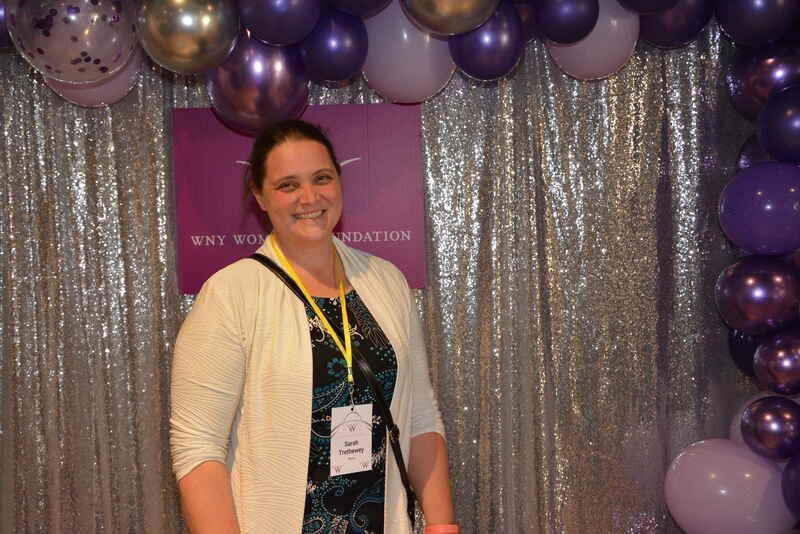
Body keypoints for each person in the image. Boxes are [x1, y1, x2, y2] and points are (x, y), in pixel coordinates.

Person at [170, 119, 457, 534]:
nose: (309, 197)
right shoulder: (230, 295)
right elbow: (198, 449)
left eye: (321, 178)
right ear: (259, 196)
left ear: (339, 181)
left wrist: (442, 523)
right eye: (288, 185)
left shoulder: (386, 281)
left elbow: (421, 419)